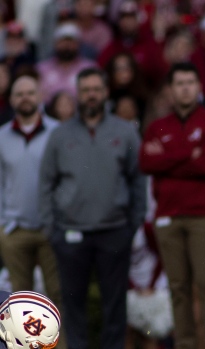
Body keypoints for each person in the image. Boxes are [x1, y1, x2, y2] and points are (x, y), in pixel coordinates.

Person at [39, 67, 146, 349]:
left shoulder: (124, 132)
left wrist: (131, 225)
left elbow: (138, 180)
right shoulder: (60, 135)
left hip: (114, 232)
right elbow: (46, 183)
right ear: (78, 93)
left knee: (114, 305)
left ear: (106, 92)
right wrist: (53, 230)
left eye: (96, 89)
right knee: (73, 307)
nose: (91, 95)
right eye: (85, 90)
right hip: (71, 235)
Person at [139, 62, 205, 349]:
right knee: (177, 288)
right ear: (170, 89)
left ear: (199, 86)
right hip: (167, 215)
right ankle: (185, 345)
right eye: (179, 83)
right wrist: (189, 153)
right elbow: (146, 162)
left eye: (190, 81)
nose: (185, 87)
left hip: (204, 215)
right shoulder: (156, 126)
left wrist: (167, 157)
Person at [0, 76, 65, 349]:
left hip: (51, 228)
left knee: (58, 297)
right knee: (19, 306)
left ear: (40, 97)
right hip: (15, 231)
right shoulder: (1, 136)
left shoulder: (59, 132)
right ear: (12, 99)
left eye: (30, 92)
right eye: (19, 93)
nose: (25, 97)